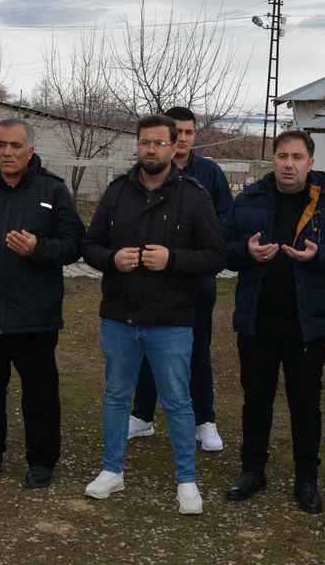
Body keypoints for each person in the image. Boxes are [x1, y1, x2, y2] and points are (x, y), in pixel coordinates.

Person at [82, 114, 225, 515]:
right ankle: (112, 470)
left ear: (175, 146)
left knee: (178, 401)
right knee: (115, 396)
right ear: (137, 145)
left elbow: (216, 256)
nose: (151, 149)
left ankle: (186, 480)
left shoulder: (194, 196)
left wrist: (172, 259)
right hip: (120, 315)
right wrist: (112, 259)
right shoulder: (116, 193)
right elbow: (90, 245)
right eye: (145, 142)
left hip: (171, 320)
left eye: (159, 143)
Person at [222, 129, 325, 513]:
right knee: (256, 401)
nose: (289, 164)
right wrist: (245, 252)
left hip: (306, 325)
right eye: (282, 156)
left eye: (297, 157)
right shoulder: (248, 201)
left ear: (310, 162)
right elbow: (221, 249)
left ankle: (306, 479)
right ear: (273, 159)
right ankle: (253, 471)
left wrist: (320, 256)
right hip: (257, 322)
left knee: (305, 404)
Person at [0, 119, 85, 488]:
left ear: (31, 150)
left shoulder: (52, 190)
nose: (7, 152)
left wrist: (39, 248)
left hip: (34, 314)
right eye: (1, 145)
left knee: (40, 392)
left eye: (16, 146)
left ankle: (42, 460)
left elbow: (74, 243)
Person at [128, 107, 232, 452]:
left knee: (197, 349)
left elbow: (225, 221)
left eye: (189, 132)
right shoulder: (145, 171)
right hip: (151, 277)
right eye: (178, 132)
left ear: (194, 136)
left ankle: (205, 420)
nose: (183, 138)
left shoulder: (210, 173)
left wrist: (189, 242)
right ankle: (142, 416)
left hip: (195, 277)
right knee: (147, 346)